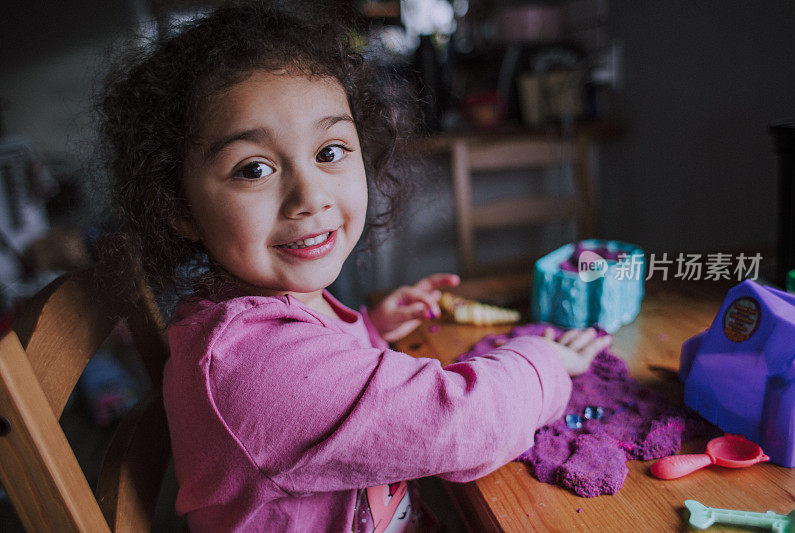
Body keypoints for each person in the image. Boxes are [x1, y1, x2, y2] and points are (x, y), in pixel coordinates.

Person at [98, 1, 612, 531]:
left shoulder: (253, 325)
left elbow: (313, 383)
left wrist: (368, 330)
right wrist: (540, 360)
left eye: (329, 152)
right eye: (254, 168)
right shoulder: (253, 367)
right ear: (179, 206)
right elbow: (464, 424)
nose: (310, 196)